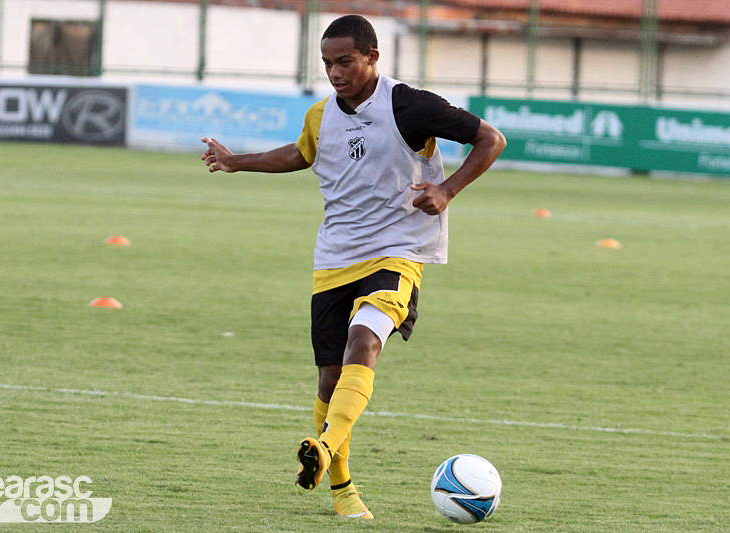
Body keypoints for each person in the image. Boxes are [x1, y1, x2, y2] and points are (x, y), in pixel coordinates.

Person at [201, 14, 506, 520]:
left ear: (373, 57)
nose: (335, 72)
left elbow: (490, 139)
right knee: (328, 381)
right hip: (335, 257)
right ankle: (342, 490)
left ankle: (322, 449)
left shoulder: (409, 105)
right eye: (327, 63)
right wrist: (238, 162)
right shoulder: (322, 115)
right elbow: (302, 154)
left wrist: (446, 190)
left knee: (363, 343)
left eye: (345, 61)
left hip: (398, 251)